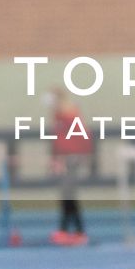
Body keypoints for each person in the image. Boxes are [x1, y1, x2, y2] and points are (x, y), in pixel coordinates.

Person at [49, 91, 92, 246]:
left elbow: (83, 138)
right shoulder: (59, 118)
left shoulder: (70, 117)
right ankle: (68, 230)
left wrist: (80, 156)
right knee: (67, 194)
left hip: (71, 159)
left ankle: (76, 231)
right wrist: (55, 159)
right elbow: (57, 141)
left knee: (69, 194)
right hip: (65, 159)